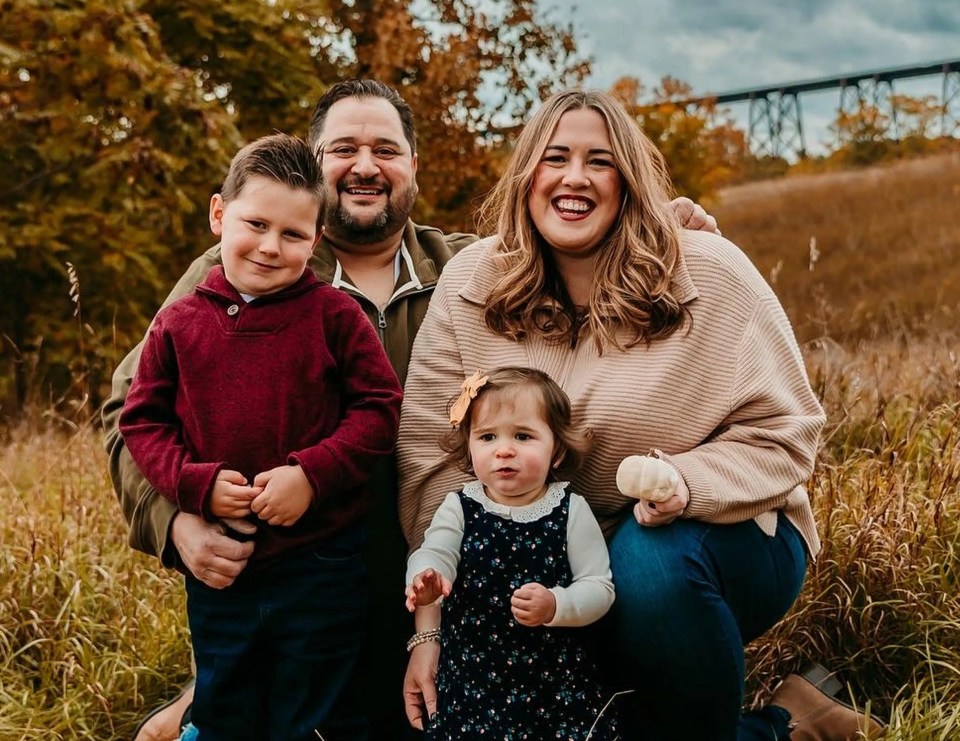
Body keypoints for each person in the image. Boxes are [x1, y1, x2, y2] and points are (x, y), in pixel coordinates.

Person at [100, 78, 720, 741]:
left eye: (386, 150)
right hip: (296, 576)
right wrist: (177, 524)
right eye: (343, 148)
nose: (366, 166)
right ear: (311, 167)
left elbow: (584, 272)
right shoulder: (237, 273)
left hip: (459, 586)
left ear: (413, 168)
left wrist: (657, 224)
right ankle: (211, 701)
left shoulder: (476, 269)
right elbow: (129, 410)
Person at [396, 90, 885, 740]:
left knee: (648, 566)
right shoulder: (469, 286)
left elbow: (787, 432)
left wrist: (688, 483)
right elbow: (429, 462)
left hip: (715, 535)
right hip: (539, 559)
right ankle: (792, 721)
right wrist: (485, 584)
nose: (574, 177)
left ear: (627, 181)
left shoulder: (709, 274)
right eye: (555, 157)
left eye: (598, 161)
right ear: (526, 177)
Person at [117, 133, 403, 740]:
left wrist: (312, 474)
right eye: (256, 224)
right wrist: (194, 488)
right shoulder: (178, 321)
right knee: (227, 704)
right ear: (220, 214)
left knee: (318, 714)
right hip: (226, 566)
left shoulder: (335, 317)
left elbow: (380, 410)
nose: (271, 247)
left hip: (323, 563)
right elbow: (142, 421)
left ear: (317, 240)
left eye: (294, 235)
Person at [405, 367, 617, 740]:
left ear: (557, 451)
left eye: (523, 435)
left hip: (553, 679)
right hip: (474, 678)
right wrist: (427, 576)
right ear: (469, 447)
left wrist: (557, 604)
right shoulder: (460, 506)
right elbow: (435, 552)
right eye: (487, 436)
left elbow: (599, 586)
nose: (504, 449)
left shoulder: (570, 509)